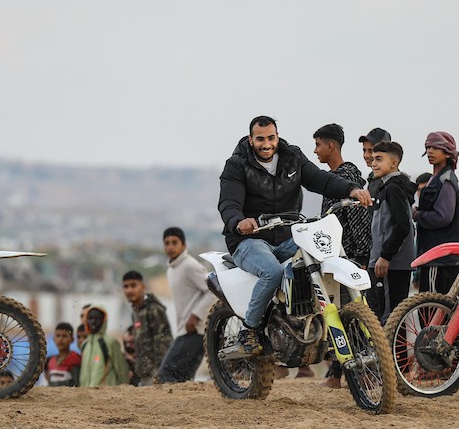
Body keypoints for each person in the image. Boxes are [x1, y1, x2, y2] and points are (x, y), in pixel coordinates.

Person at [218, 116, 371, 355]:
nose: (266, 144)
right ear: (251, 140)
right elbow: (228, 203)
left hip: (287, 234)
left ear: (277, 137)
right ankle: (249, 329)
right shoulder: (237, 165)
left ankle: (317, 322)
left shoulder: (292, 158)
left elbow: (321, 180)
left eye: (271, 138)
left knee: (320, 257)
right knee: (272, 272)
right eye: (260, 139)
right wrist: (240, 222)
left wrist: (351, 189)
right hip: (250, 238)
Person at [155, 227, 212, 384]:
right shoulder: (172, 269)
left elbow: (213, 290)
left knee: (166, 375)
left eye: (175, 242)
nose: (170, 247)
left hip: (194, 330)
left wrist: (195, 315)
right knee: (183, 379)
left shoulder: (189, 265)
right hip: (184, 331)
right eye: (167, 243)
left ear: (184, 245)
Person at [368, 141, 416, 322]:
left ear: (394, 163)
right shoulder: (387, 186)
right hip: (385, 263)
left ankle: (391, 352)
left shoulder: (393, 188)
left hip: (389, 265)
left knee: (388, 320)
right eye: (373, 159)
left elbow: (402, 225)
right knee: (392, 317)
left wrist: (385, 256)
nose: (373, 163)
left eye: (379, 159)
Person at [313, 124, 372, 270]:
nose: (315, 150)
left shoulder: (347, 176)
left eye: (318, 145)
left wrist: (361, 258)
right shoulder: (331, 178)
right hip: (336, 255)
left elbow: (358, 218)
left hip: (350, 258)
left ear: (330, 146)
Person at [415, 131, 459, 294]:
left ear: (447, 152)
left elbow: (443, 217)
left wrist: (417, 215)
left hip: (440, 259)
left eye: (435, 148)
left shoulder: (446, 180)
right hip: (434, 256)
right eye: (428, 147)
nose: (430, 151)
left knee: (432, 306)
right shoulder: (437, 178)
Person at [122, 270, 172, 386]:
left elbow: (164, 342)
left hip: (155, 375)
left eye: (133, 285)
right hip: (143, 374)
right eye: (126, 286)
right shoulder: (135, 313)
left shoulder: (153, 309)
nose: (129, 290)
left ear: (143, 286)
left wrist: (159, 373)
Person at [79, 305, 129, 387]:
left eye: (97, 319)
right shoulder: (85, 344)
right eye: (90, 318)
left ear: (103, 321)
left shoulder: (109, 342)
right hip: (87, 396)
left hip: (106, 396)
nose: (93, 322)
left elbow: (121, 370)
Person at [45, 322, 81, 386]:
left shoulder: (75, 359)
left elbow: (77, 384)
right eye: (58, 336)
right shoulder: (49, 360)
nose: (60, 339)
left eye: (64, 336)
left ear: (72, 339)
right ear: (54, 339)